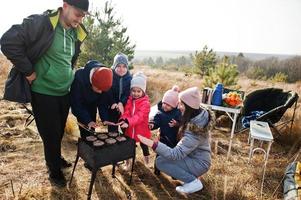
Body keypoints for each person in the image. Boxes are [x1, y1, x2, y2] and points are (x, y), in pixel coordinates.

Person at [0, 0, 89, 187]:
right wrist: (28, 71)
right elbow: (7, 41)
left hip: (64, 91)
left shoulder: (75, 32)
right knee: (50, 134)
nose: (80, 19)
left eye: (84, 16)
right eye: (78, 14)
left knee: (57, 132)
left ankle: (55, 158)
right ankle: (54, 171)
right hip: (43, 92)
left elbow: (70, 58)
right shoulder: (42, 23)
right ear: (65, 6)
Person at [138, 87, 215, 194]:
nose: (178, 107)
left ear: (189, 107)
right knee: (161, 160)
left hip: (199, 163)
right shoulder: (196, 116)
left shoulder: (195, 131)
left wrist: (152, 143)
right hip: (193, 157)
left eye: (181, 104)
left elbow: (175, 154)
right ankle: (188, 178)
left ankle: (192, 181)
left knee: (161, 162)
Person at [70, 60, 113, 138]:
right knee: (85, 132)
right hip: (80, 106)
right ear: (92, 81)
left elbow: (102, 103)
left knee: (92, 131)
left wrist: (105, 119)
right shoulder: (79, 77)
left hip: (92, 106)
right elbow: (76, 103)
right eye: (98, 89)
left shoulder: (106, 76)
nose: (100, 92)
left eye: (102, 90)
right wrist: (87, 120)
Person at [119, 72, 151, 169]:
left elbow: (139, 116)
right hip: (130, 130)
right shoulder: (130, 100)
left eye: (138, 91)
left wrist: (128, 122)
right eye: (133, 91)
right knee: (129, 147)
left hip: (141, 130)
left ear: (143, 91)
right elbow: (127, 111)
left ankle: (147, 160)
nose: (135, 93)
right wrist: (123, 119)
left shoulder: (145, 103)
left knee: (144, 146)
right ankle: (128, 163)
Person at [149, 85, 182, 175]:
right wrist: (152, 125)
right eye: (164, 103)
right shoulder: (160, 113)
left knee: (173, 157)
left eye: (168, 105)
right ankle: (157, 169)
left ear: (174, 105)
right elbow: (156, 121)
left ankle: (173, 173)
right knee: (159, 154)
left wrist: (177, 124)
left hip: (174, 140)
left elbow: (182, 124)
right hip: (163, 138)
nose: (165, 106)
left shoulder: (178, 113)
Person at [108, 53, 132, 132]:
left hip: (125, 107)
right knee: (112, 129)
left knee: (125, 129)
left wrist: (121, 102)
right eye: (118, 66)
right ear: (114, 66)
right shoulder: (110, 76)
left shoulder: (129, 78)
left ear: (127, 67)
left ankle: (125, 142)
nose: (121, 69)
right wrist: (113, 102)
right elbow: (108, 91)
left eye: (124, 66)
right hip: (112, 106)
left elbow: (127, 93)